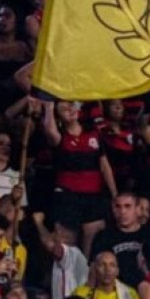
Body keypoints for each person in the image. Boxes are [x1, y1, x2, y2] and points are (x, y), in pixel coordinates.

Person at [42, 100, 118, 257]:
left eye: (70, 105)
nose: (69, 109)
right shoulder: (60, 137)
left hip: (94, 196)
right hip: (67, 196)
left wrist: (114, 194)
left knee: (92, 239)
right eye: (63, 109)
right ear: (59, 118)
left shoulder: (93, 134)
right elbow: (49, 129)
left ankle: (85, 275)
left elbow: (105, 167)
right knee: (67, 242)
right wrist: (48, 107)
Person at [91, 193, 150, 288]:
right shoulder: (103, 236)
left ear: (138, 209)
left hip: (149, 289)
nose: (122, 211)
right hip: (115, 291)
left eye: (127, 206)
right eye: (118, 206)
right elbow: (94, 270)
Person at [31, 212, 88, 299]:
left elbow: (49, 244)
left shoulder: (72, 253)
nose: (52, 234)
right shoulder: (78, 255)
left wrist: (38, 223)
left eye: (56, 231)